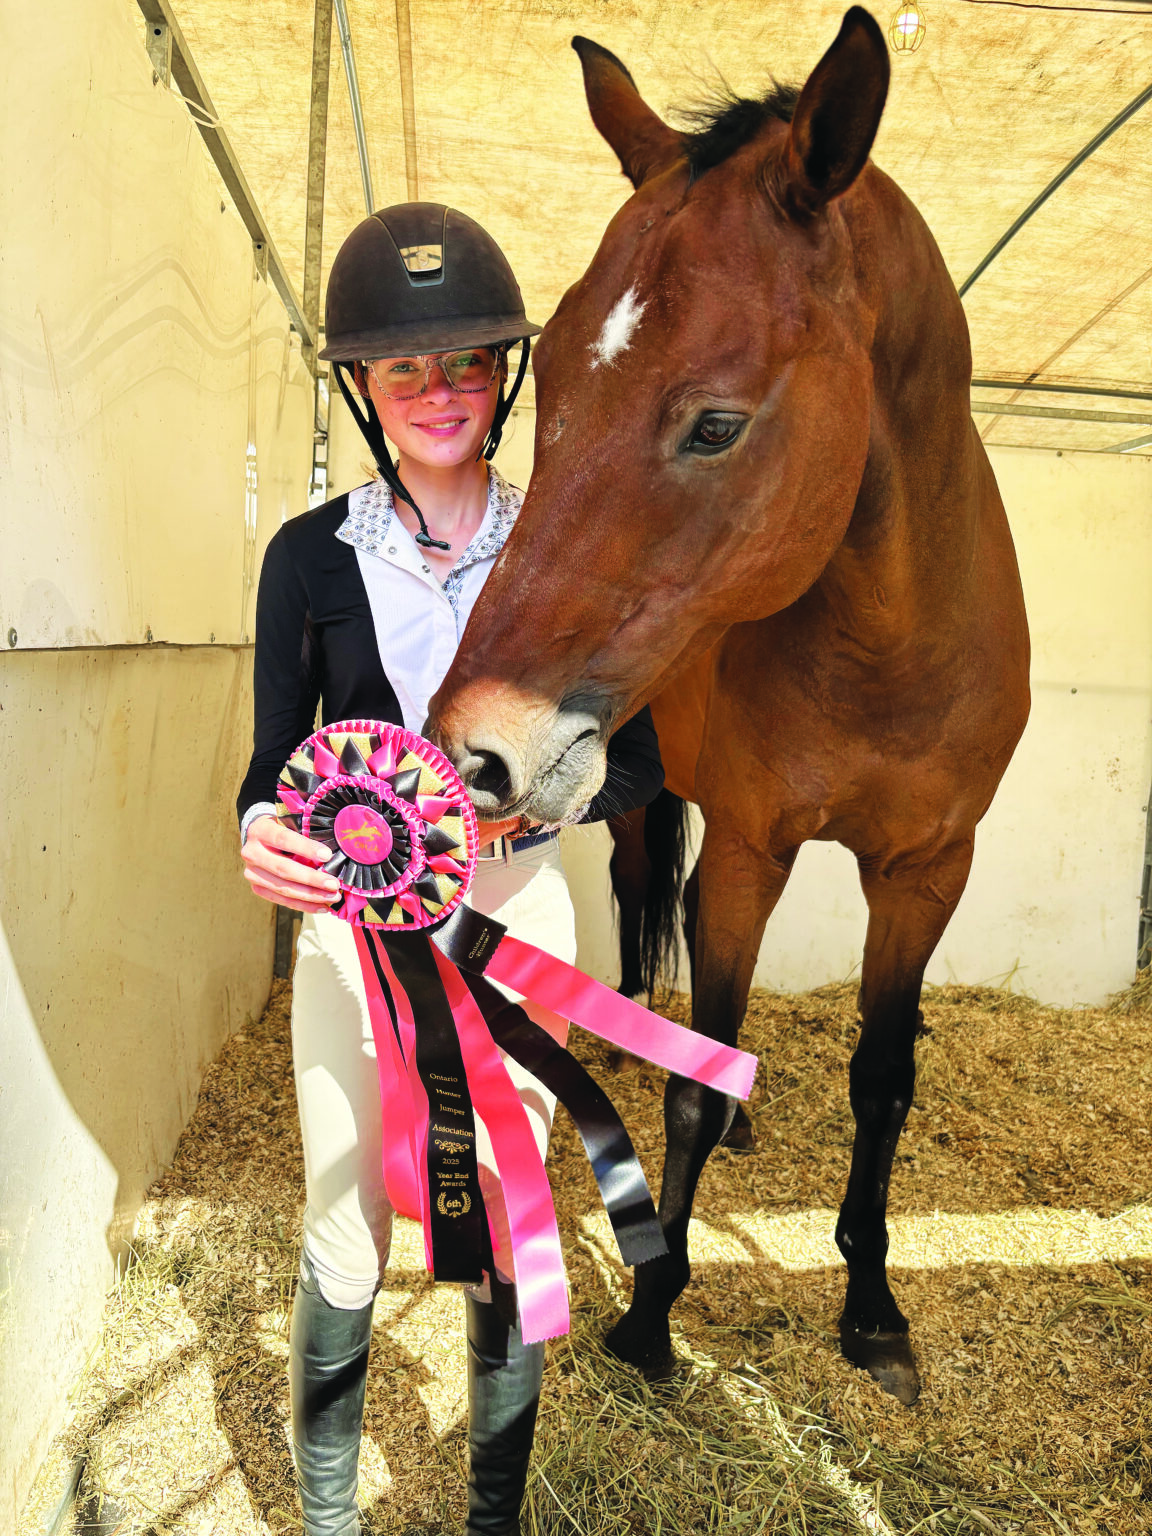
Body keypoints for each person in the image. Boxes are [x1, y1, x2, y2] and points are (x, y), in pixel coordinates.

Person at [235, 202, 664, 1536]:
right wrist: (259, 832)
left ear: (504, 375)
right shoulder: (307, 559)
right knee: (344, 1216)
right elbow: (270, 767)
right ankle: (327, 1516)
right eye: (405, 367)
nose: (436, 391)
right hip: (352, 943)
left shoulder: (574, 557)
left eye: (465, 362)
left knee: (509, 1217)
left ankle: (491, 1518)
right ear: (365, 384)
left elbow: (645, 770)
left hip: (512, 920)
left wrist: (541, 800)